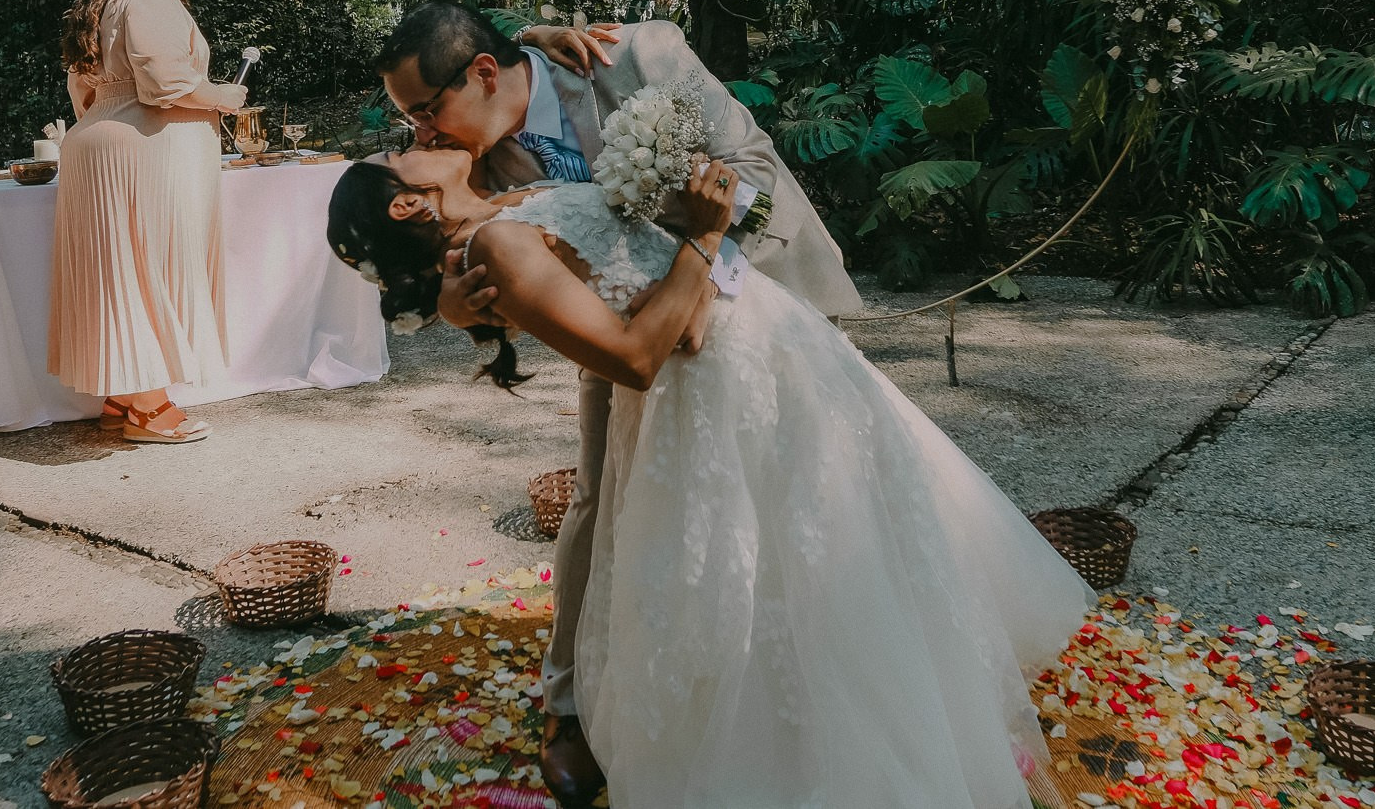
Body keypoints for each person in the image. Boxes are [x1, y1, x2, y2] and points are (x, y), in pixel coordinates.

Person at [327, 150, 1092, 809]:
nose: (418, 136)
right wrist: (705, 232)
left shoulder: (496, 200)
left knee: (820, 550)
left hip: (765, 347)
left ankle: (854, 731)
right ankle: (788, 762)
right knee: (747, 575)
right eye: (404, 149)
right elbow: (639, 349)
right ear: (406, 199)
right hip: (710, 390)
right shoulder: (493, 240)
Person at [373, 3, 861, 804]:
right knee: (602, 500)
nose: (421, 134)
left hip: (758, 297)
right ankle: (571, 707)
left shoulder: (640, 56)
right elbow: (402, 236)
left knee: (806, 486)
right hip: (628, 333)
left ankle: (806, 673)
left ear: (486, 74)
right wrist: (453, 305)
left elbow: (755, 168)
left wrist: (692, 251)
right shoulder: (469, 161)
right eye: (409, 121)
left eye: (426, 110)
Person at [48, 0, 247, 444]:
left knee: (119, 269)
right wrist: (224, 98)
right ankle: (149, 407)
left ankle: (122, 394)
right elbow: (164, 83)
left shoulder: (104, 2)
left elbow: (81, 88)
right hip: (147, 149)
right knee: (151, 266)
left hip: (98, 143)